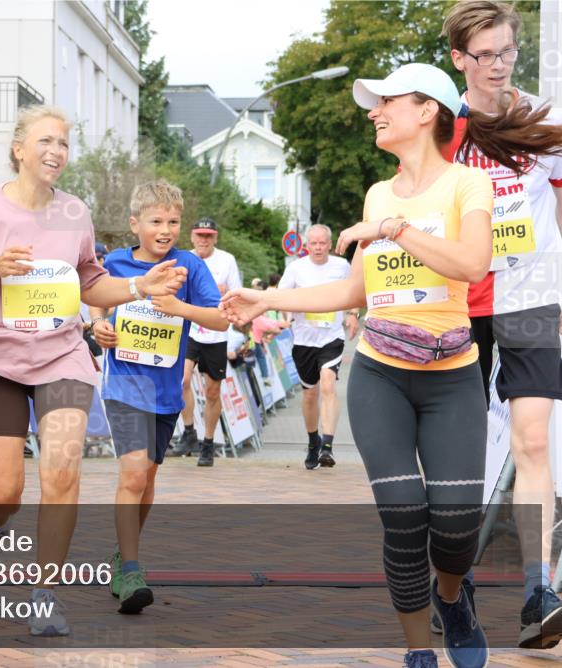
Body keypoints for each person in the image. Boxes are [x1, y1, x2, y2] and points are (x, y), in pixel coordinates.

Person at [219, 62, 560, 668]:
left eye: (387, 101)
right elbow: (355, 293)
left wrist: (394, 230)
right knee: (404, 520)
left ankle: (452, 598)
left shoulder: (465, 186)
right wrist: (268, 297)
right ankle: (417, 653)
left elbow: (473, 263)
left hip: (452, 374)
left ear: (427, 110)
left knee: (455, 532)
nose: (374, 111)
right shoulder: (378, 194)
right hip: (379, 372)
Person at [0, 104, 186, 637]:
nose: (56, 152)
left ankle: (44, 594)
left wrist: (137, 289)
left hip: (62, 357)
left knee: (60, 473)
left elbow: (89, 283)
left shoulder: (75, 212)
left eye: (64, 144)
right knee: (3, 489)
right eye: (46, 141)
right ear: (19, 150)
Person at [440, 1, 562, 649]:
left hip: (533, 297)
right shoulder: (442, 130)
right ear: (459, 57)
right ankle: (452, 586)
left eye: (507, 51)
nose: (498, 65)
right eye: (484, 54)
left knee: (535, 440)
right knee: (462, 455)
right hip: (461, 303)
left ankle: (540, 588)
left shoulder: (546, 119)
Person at [89, 179, 224, 614]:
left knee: (146, 480)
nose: (166, 229)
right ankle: (131, 569)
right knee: (131, 475)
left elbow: (220, 319)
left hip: (166, 393)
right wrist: (98, 325)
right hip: (124, 385)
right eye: (155, 221)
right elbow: (94, 298)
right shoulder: (114, 262)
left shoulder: (189, 265)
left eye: (173, 221)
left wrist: (179, 308)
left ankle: (121, 555)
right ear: (135, 224)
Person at [277, 224, 359, 469]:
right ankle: (313, 440)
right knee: (310, 394)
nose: (318, 247)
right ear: (306, 245)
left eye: (322, 242)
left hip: (331, 338)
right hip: (303, 340)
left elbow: (355, 291)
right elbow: (282, 296)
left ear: (329, 244)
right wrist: (288, 315)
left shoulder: (341, 266)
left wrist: (353, 313)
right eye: (313, 243)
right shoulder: (296, 268)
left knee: (327, 385)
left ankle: (327, 446)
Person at [172, 218, 242, 465]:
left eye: (209, 236)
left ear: (215, 238)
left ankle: (208, 442)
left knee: (213, 392)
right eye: (200, 235)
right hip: (189, 330)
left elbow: (238, 296)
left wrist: (224, 294)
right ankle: (189, 431)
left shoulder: (227, 260)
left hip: (215, 333)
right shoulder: (182, 259)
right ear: (191, 236)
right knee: (182, 379)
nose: (204, 240)